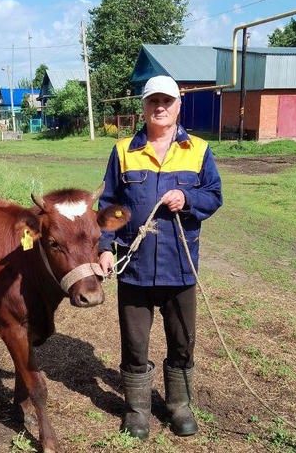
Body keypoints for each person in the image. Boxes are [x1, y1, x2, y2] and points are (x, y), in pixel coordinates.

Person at [97, 75, 223, 440]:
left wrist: (188, 199)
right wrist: (106, 246)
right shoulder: (123, 151)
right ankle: (137, 411)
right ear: (144, 106)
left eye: (167, 101)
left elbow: (214, 196)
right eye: (153, 101)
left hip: (181, 267)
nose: (160, 107)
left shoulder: (198, 150)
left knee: (182, 341)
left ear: (178, 106)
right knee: (134, 344)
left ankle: (179, 406)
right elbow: (110, 205)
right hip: (134, 268)